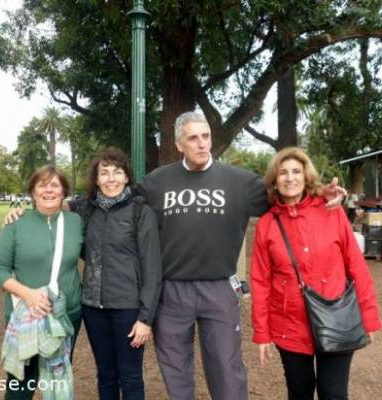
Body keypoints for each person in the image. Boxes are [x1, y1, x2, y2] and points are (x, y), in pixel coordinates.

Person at [141, 112, 347, 400]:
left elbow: (289, 195)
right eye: (193, 138)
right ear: (179, 144)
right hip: (172, 290)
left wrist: (323, 194)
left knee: (226, 369)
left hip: (219, 289)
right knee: (175, 370)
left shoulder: (240, 182)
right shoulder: (156, 183)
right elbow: (124, 206)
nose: (201, 144)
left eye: (206, 136)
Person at [250, 147, 382, 400]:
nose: (290, 178)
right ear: (274, 180)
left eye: (296, 171)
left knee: (332, 393)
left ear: (306, 176)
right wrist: (262, 332)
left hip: (336, 319)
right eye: (283, 172)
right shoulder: (267, 224)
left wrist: (369, 316)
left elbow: (357, 266)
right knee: (299, 392)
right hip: (289, 325)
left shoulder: (331, 211)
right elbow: (260, 282)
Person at [68, 147, 162, 400]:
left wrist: (146, 318)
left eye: (117, 172)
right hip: (92, 306)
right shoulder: (86, 210)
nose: (111, 179)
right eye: (104, 173)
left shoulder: (140, 211)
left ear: (127, 177)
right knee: (106, 373)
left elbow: (153, 269)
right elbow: (50, 206)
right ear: (96, 179)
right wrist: (20, 213)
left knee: (130, 374)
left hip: (128, 308)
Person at [0, 165, 84, 400]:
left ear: (64, 192)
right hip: (26, 315)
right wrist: (28, 294)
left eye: (55, 185)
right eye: (42, 185)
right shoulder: (16, 224)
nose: (49, 190)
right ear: (32, 192)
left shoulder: (75, 222)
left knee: (58, 377)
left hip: (67, 314)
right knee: (21, 383)